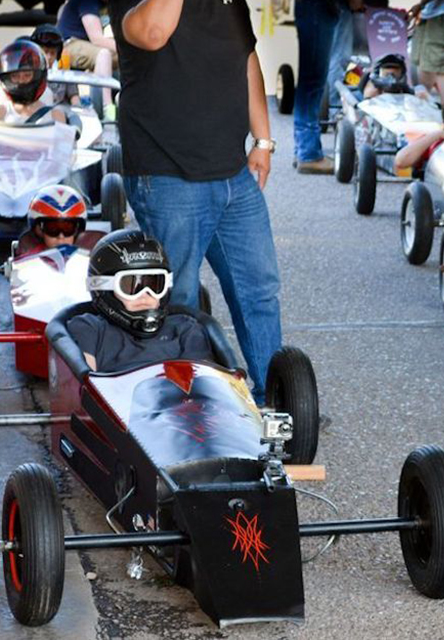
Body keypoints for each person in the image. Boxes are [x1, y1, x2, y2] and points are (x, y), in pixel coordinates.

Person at [112, 0, 281, 403]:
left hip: (232, 173)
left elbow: (246, 59)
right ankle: (182, 411)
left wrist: (263, 139)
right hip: (169, 175)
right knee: (178, 300)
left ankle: (275, 403)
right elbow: (153, 33)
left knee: (258, 289)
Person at [70, 230, 214, 373]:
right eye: (132, 286)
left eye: (154, 285)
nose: (145, 295)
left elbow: (204, 383)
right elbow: (85, 385)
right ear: (103, 288)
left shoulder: (186, 328)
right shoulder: (90, 329)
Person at [293, 0, 341, 174]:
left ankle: (303, 149)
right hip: (316, 8)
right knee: (312, 81)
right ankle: (308, 154)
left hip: (313, 8)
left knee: (308, 81)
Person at [57, 0, 118, 119]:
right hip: (68, 45)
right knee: (104, 54)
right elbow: (97, 39)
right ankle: (108, 109)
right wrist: (126, 48)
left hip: (85, 44)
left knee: (124, 57)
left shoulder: (107, 5)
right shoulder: (88, 2)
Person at [0, 41, 67, 125]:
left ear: (38, 76)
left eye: (27, 75)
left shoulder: (56, 115)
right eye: (15, 76)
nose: (21, 81)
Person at [409, 0, 444, 102]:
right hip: (431, 11)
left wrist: (421, 4)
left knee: (436, 61)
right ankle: (426, 105)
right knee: (422, 58)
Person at [15, 185, 92, 256]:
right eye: (52, 228)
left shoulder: (88, 259)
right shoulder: (27, 261)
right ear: (39, 230)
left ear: (77, 231)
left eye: (68, 229)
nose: (61, 236)